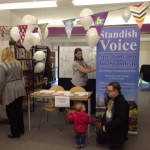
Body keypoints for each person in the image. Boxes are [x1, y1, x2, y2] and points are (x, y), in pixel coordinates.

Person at [0, 47, 26, 138]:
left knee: (11, 112)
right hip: (20, 88)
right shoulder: (18, 63)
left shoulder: (2, 65)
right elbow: (22, 76)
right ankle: (21, 129)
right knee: (18, 110)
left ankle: (15, 133)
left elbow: (1, 81)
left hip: (10, 90)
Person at [96, 82, 129, 150]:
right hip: (110, 125)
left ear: (116, 91)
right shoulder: (111, 100)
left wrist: (107, 126)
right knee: (99, 133)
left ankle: (118, 141)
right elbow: (107, 113)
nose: (107, 92)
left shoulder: (123, 104)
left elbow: (120, 121)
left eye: (109, 91)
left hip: (118, 129)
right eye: (107, 90)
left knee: (114, 146)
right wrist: (104, 124)